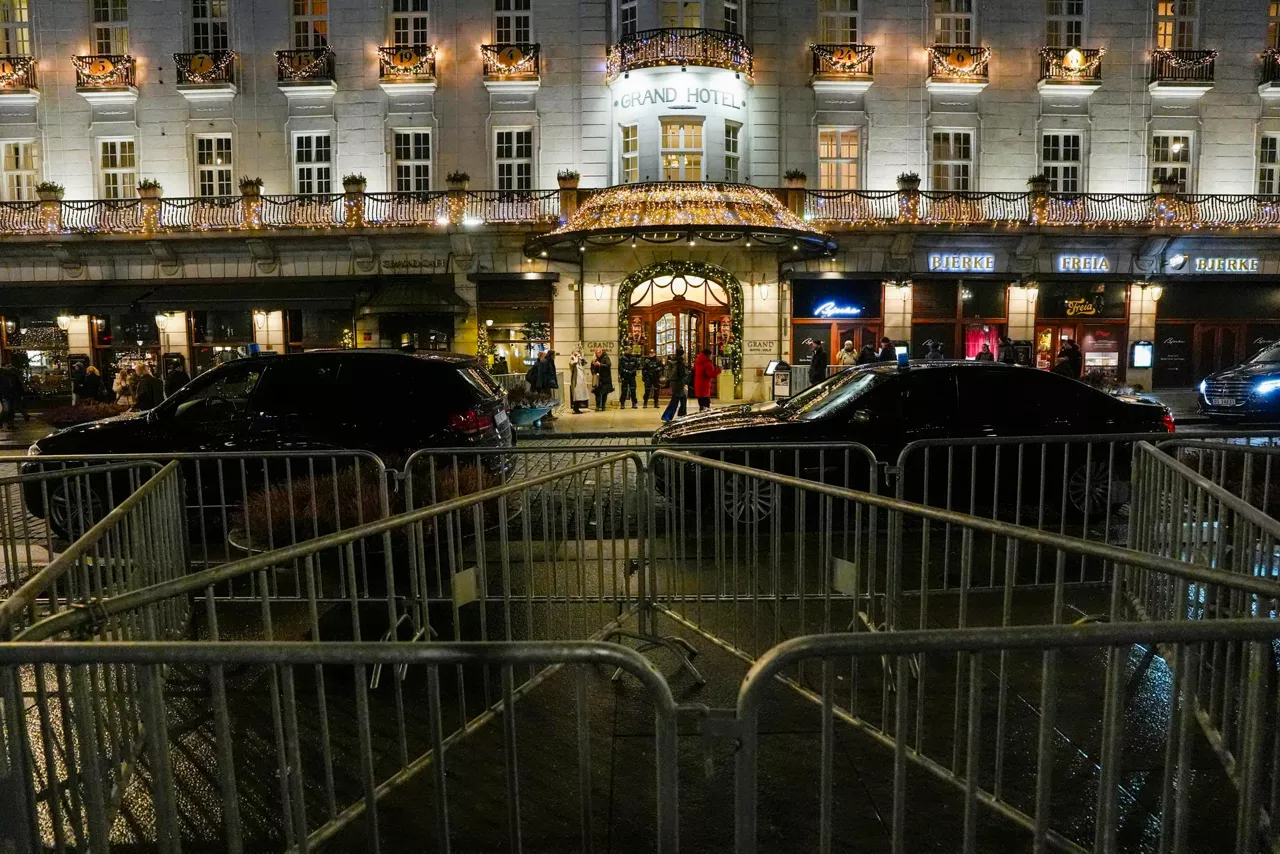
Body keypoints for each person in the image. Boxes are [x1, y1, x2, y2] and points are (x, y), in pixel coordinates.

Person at [660, 348, 688, 422]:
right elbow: (682, 374)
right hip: (679, 383)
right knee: (675, 400)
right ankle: (667, 416)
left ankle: (681, 414)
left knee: (682, 398)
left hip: (674, 383)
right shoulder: (680, 362)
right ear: (682, 354)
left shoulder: (673, 361)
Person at [569, 349, 591, 414]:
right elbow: (573, 363)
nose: (578, 355)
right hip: (576, 381)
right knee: (577, 395)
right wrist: (575, 357)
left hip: (581, 381)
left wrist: (581, 358)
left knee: (581, 395)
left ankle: (577, 408)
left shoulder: (580, 362)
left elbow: (586, 362)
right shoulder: (572, 361)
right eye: (576, 354)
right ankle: (575, 409)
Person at [591, 347, 613, 412]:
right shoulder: (594, 358)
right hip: (597, 378)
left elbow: (608, 365)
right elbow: (592, 367)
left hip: (605, 378)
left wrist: (600, 364)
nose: (598, 354)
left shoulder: (606, 357)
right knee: (597, 392)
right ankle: (597, 406)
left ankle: (603, 406)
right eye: (597, 353)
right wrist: (593, 373)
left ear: (601, 352)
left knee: (604, 393)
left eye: (599, 352)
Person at [0, 364, 21, 431]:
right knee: (7, 410)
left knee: (11, 410)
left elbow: (17, 385)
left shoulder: (13, 375)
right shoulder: (2, 375)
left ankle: (10, 424)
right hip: (5, 395)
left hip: (11, 394)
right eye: (8, 366)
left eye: (10, 366)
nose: (10, 367)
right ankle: (5, 425)